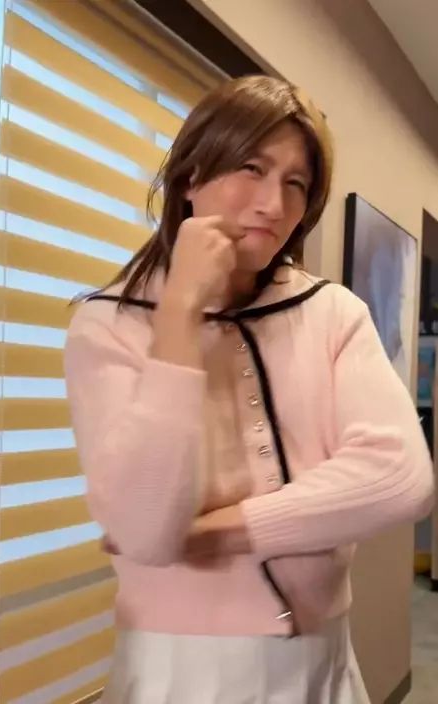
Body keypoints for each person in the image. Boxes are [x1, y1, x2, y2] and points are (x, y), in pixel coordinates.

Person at [65, 75, 434, 704]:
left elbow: (401, 478)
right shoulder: (108, 324)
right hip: (179, 669)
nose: (273, 205)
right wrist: (181, 314)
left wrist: (208, 534)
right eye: (251, 167)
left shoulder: (332, 312)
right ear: (190, 177)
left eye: (296, 183)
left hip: (323, 659)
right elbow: (148, 532)